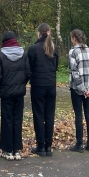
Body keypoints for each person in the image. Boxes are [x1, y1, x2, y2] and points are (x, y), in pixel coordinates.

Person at [0, 30, 31, 161]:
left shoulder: (0, 56)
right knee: (17, 120)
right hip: (19, 92)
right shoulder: (23, 54)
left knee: (7, 120)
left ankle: (7, 149)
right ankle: (17, 150)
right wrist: (21, 84)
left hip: (6, 93)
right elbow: (28, 73)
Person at [28, 22, 59, 157]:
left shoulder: (33, 49)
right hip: (51, 85)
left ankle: (41, 145)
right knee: (49, 115)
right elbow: (56, 66)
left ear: (39, 33)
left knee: (39, 115)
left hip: (38, 86)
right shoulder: (54, 49)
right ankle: (48, 145)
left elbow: (29, 67)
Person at [68, 29, 89, 153]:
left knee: (78, 114)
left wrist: (82, 88)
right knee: (88, 113)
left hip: (77, 88)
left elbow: (74, 71)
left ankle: (79, 143)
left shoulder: (73, 52)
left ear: (74, 38)